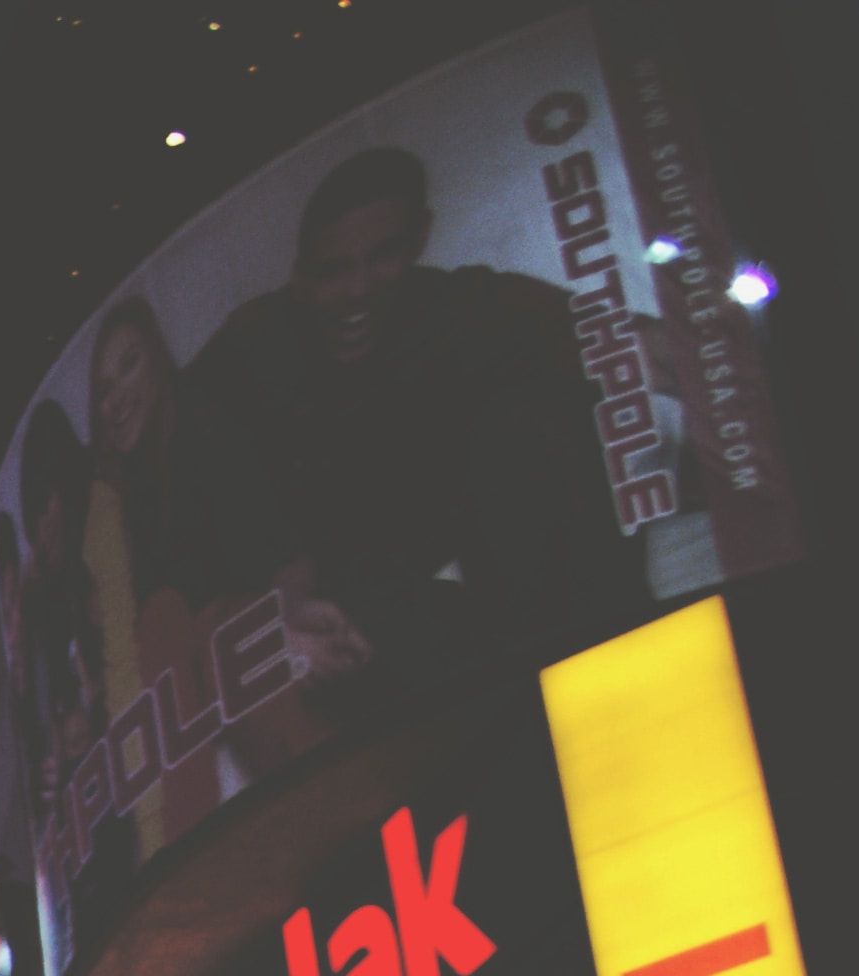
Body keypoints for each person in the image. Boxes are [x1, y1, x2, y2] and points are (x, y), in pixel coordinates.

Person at [190, 143, 653, 694]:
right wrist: (280, 605)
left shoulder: (454, 306)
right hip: (336, 599)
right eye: (334, 270)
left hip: (481, 575)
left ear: (419, 239)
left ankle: (626, 661)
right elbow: (220, 498)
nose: (359, 289)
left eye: (381, 257)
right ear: (299, 275)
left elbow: (607, 338)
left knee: (544, 408)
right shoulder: (253, 348)